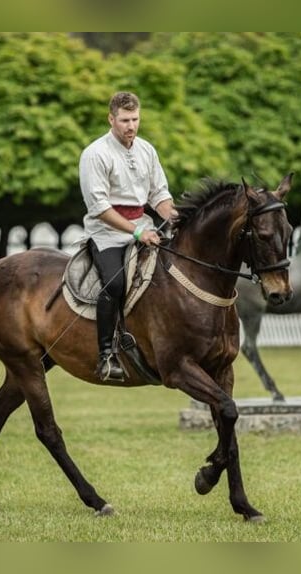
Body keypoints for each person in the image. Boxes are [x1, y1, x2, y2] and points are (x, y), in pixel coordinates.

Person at [79, 91, 178, 382]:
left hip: (145, 227)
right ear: (111, 119)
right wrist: (137, 231)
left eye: (135, 119)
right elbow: (99, 207)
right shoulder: (95, 154)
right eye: (124, 120)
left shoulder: (147, 149)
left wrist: (174, 216)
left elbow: (159, 194)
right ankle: (106, 355)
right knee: (115, 283)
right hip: (107, 234)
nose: (130, 125)